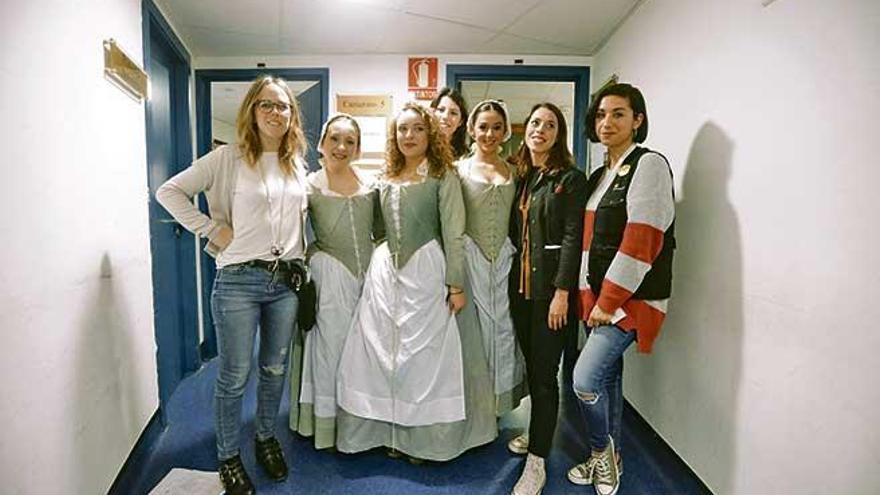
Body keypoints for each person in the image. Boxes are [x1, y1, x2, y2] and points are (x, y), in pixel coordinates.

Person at [156, 75, 309, 495]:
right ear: (251, 111)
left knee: (275, 369)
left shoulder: (297, 163)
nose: (275, 112)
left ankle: (264, 437)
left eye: (283, 106)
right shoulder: (227, 158)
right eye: (266, 105)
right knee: (234, 374)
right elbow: (169, 191)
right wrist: (209, 229)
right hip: (238, 280)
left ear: (292, 114)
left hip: (285, 283)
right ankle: (228, 456)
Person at [336, 102, 491, 461]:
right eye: (402, 129)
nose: (409, 136)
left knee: (424, 360)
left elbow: (454, 232)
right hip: (386, 275)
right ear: (394, 135)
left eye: (418, 129)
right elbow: (377, 228)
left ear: (430, 133)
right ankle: (389, 432)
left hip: (428, 273)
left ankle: (425, 441)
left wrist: (455, 284)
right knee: (383, 355)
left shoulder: (443, 175)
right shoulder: (385, 176)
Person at [567, 83, 675, 495]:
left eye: (618, 114)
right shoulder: (600, 176)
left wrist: (608, 300)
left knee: (585, 379)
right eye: (600, 115)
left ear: (638, 120)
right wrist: (586, 297)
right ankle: (610, 455)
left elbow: (642, 240)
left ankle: (601, 453)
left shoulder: (648, 165)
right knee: (607, 377)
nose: (606, 122)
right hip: (599, 299)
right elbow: (588, 246)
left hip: (632, 300)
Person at [507, 102, 588, 495]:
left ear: (559, 134)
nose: (540, 129)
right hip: (519, 294)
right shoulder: (521, 176)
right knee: (532, 369)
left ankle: (537, 462)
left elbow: (573, 237)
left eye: (550, 124)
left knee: (544, 377)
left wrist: (562, 294)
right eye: (535, 122)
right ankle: (535, 432)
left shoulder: (570, 179)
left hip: (549, 296)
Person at [288, 114, 382, 450]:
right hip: (331, 277)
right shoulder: (308, 185)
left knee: (368, 350)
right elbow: (291, 232)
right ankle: (331, 428)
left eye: (350, 142)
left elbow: (382, 232)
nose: (341, 147)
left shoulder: (371, 184)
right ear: (322, 144)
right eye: (335, 139)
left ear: (358, 149)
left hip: (370, 278)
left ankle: (366, 425)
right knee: (333, 351)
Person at [455, 99, 526, 419]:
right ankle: (473, 404)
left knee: (504, 330)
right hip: (471, 259)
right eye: (483, 126)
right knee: (474, 332)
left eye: (497, 127)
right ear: (471, 129)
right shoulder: (458, 170)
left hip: (505, 261)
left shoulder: (514, 170)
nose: (490, 133)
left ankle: (499, 404)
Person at [430, 87, 469, 160]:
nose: (445, 116)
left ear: (461, 121)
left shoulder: (466, 157)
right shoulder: (421, 148)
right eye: (441, 110)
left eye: (453, 113)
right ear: (432, 113)